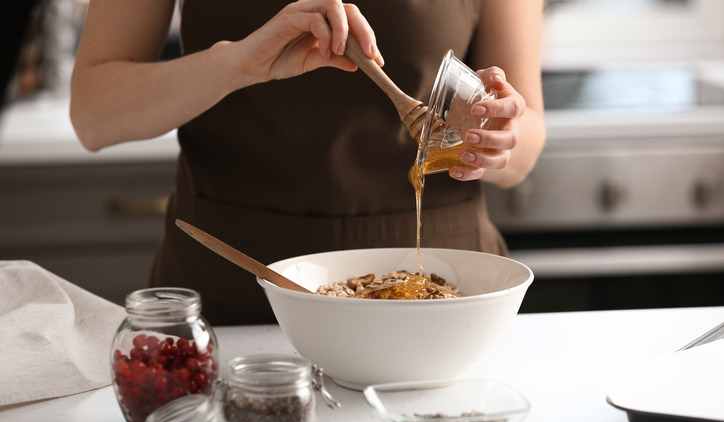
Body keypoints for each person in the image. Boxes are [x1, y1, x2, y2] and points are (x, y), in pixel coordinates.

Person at [70, 0, 546, 325]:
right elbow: (93, 115)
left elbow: (524, 147)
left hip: (446, 298)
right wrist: (234, 64)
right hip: (233, 283)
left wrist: (500, 135)